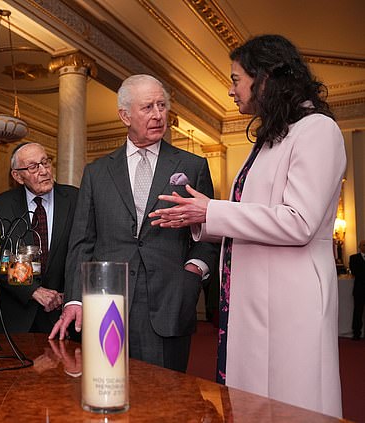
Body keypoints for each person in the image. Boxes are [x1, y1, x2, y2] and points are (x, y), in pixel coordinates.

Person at [150, 35, 345, 417]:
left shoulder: (318, 130)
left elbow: (299, 222)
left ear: (266, 79)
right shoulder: (273, 137)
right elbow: (252, 216)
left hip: (292, 299)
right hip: (255, 294)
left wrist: (212, 211)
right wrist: (199, 219)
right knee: (254, 402)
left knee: (293, 403)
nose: (230, 89)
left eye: (236, 78)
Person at [50, 74, 218, 373]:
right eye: (147, 107)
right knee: (107, 390)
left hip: (169, 300)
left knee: (166, 400)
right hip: (107, 303)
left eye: (162, 105)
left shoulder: (192, 166)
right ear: (124, 115)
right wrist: (74, 298)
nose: (158, 115)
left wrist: (193, 272)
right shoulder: (97, 172)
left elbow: (207, 234)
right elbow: (82, 241)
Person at [0, 142, 79, 333]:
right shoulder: (0, 206)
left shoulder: (75, 199)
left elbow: (85, 251)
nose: (44, 171)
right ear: (17, 176)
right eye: (33, 167)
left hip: (63, 315)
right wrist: (32, 291)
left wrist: (71, 294)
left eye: (45, 162)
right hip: (15, 318)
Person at [349, 239, 365, 340]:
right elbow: (354, 272)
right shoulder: (354, 258)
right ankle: (356, 333)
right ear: (360, 247)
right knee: (358, 312)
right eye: (364, 245)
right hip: (359, 289)